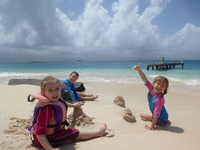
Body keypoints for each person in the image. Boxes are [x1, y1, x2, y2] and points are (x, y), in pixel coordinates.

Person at [28, 76, 107, 150]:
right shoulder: (46, 109)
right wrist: (50, 149)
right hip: (46, 140)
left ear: (60, 88)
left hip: (53, 134)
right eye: (50, 90)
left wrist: (74, 105)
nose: (55, 92)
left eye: (57, 88)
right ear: (43, 92)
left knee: (67, 134)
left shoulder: (55, 100)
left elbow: (62, 105)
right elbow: (39, 133)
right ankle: (97, 133)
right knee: (74, 132)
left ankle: (63, 140)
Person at [131, 63, 171, 130]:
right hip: (164, 115)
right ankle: (164, 121)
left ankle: (161, 122)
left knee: (142, 115)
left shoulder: (159, 99)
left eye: (162, 86)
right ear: (153, 83)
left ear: (165, 89)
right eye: (158, 84)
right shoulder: (151, 88)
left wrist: (152, 126)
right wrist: (138, 69)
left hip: (159, 117)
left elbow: (156, 114)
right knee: (144, 117)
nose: (159, 86)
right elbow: (144, 79)